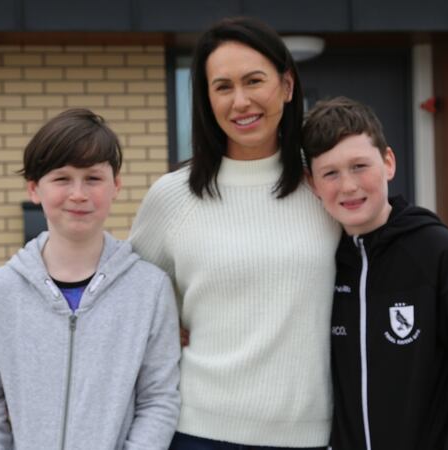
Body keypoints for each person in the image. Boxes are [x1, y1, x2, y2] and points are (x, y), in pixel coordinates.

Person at [129, 17, 341, 450]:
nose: (240, 101)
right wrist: (171, 325)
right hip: (198, 430)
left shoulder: (325, 187)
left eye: (254, 81)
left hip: (309, 433)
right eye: (223, 87)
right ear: (207, 99)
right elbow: (131, 297)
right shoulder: (173, 197)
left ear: (286, 85)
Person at [302, 97, 448, 450]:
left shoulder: (440, 254)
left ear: (388, 162)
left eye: (360, 166)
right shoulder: (321, 263)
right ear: (312, 184)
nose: (348, 186)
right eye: (330, 173)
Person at [0, 108, 181, 449]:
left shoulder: (150, 288)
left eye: (93, 178)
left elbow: (159, 399)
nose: (78, 193)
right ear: (35, 189)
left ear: (116, 186)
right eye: (62, 179)